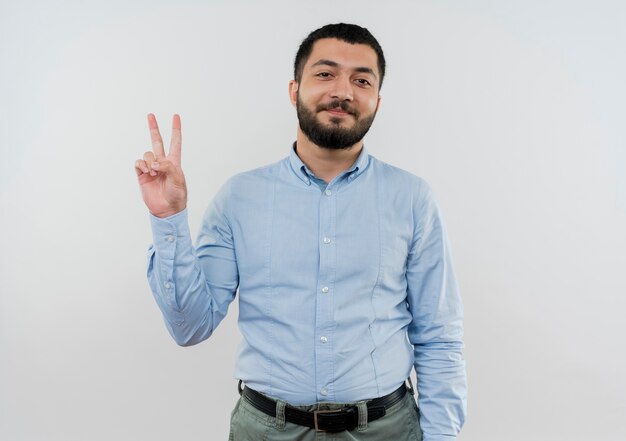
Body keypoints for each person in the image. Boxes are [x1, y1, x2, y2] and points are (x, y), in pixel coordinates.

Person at [135, 23, 466, 441]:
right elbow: (190, 326)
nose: (343, 91)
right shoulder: (240, 197)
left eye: (361, 80)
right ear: (294, 90)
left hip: (386, 431)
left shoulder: (413, 199)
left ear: (377, 101)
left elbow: (439, 339)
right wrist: (169, 220)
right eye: (325, 74)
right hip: (266, 431)